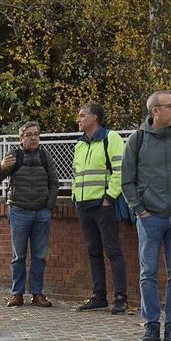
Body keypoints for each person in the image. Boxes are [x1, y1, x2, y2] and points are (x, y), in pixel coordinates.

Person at [122, 90, 171, 341]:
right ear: (155, 111)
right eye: (170, 106)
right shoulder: (137, 140)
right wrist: (139, 209)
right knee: (148, 272)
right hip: (150, 217)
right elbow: (127, 180)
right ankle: (151, 326)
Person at [0, 122, 57, 307]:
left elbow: (54, 183)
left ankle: (37, 294)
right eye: (29, 135)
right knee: (18, 256)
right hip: (19, 211)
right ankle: (17, 294)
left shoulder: (45, 156)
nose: (34, 138)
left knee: (39, 256)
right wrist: (1, 167)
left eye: (36, 134)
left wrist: (48, 207)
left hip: (41, 213)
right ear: (21, 138)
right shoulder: (14, 155)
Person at [70, 102, 127, 314]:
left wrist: (109, 198)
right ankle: (99, 296)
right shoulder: (79, 144)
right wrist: (75, 196)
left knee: (112, 250)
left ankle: (120, 297)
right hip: (84, 205)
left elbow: (121, 170)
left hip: (103, 205)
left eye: (82, 115)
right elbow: (76, 174)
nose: (79, 119)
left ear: (94, 117)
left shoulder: (111, 138)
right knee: (93, 251)